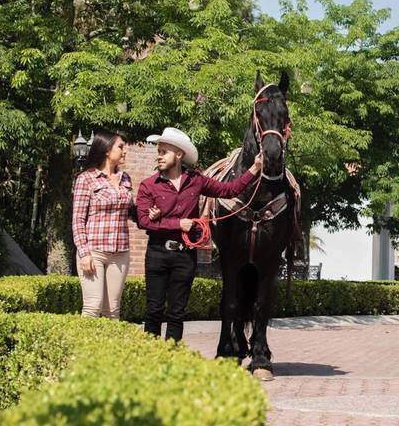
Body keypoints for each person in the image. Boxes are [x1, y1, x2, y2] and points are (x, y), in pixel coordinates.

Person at [136, 127, 262, 341]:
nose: (159, 156)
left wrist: (254, 168)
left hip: (185, 256)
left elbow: (229, 190)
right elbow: (143, 221)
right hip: (157, 254)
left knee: (177, 313)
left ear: (179, 154)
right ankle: (151, 360)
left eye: (163, 151)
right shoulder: (149, 186)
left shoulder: (197, 180)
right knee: (153, 310)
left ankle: (172, 361)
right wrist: (178, 224)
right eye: (159, 151)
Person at [71, 130, 133, 319]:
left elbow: (130, 212)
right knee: (92, 306)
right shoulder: (86, 179)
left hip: (120, 252)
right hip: (94, 252)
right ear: (107, 150)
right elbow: (78, 219)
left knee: (113, 310)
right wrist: (84, 253)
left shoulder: (126, 179)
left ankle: (110, 349)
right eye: (120, 147)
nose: (124, 151)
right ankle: (83, 349)